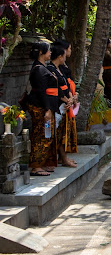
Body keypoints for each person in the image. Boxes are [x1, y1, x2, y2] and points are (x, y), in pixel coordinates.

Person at [26, 42, 60, 177]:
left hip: (46, 106)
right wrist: (47, 109)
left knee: (46, 135)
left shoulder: (42, 67)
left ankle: (43, 162)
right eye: (48, 51)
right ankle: (36, 166)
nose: (50, 53)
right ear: (41, 52)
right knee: (41, 136)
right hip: (40, 107)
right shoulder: (39, 69)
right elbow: (41, 91)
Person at [47, 45, 78, 168]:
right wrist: (66, 100)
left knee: (62, 133)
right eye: (64, 56)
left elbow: (66, 84)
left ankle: (63, 157)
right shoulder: (50, 70)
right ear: (60, 56)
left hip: (66, 103)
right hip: (58, 104)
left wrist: (71, 97)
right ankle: (61, 158)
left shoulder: (59, 69)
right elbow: (56, 88)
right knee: (57, 133)